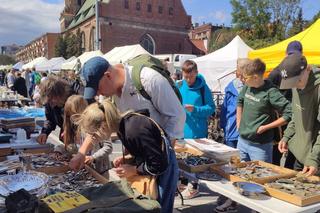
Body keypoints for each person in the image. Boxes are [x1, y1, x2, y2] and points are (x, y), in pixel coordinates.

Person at [73, 100, 178, 213]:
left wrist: (133, 170)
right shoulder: (122, 126)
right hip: (155, 164)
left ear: (104, 125)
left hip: (163, 169)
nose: (94, 139)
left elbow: (159, 164)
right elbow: (145, 149)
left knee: (159, 208)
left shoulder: (134, 129)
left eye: (94, 135)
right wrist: (128, 158)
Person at [216, 59, 292, 213]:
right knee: (238, 174)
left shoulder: (271, 91)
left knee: (261, 179)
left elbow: (289, 113)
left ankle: (258, 209)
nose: (243, 80)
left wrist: (266, 127)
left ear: (256, 77)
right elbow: (240, 101)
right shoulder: (247, 87)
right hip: (243, 141)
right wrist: (239, 122)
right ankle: (234, 202)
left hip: (260, 146)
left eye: (246, 78)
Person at [176, 60, 215, 199]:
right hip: (181, 131)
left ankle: (194, 187)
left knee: (195, 160)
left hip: (197, 132)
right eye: (186, 76)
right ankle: (183, 183)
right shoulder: (179, 85)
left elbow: (211, 108)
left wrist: (195, 109)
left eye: (191, 77)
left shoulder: (203, 88)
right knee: (181, 159)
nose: (188, 80)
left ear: (196, 73)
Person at [278, 53, 320, 176]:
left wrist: (314, 159)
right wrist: (287, 136)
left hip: (315, 159)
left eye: (298, 81)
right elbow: (296, 115)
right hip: (301, 156)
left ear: (308, 69)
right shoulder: (296, 85)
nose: (295, 85)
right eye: (291, 83)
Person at [54, 95, 112, 177]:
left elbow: (108, 147)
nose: (72, 119)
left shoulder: (96, 122)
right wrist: (60, 149)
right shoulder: (76, 127)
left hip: (100, 171)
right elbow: (76, 149)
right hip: (86, 170)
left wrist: (92, 157)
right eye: (69, 115)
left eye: (73, 114)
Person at [268, 40, 303, 168]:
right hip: (279, 117)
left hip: (297, 114)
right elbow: (268, 93)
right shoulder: (276, 72)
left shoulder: (302, 70)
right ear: (286, 54)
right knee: (277, 148)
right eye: (291, 54)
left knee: (294, 148)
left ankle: (288, 170)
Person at [220, 58, 249, 148]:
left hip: (245, 132)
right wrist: (223, 126)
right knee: (233, 158)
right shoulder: (231, 88)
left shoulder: (253, 86)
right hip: (232, 129)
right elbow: (225, 109)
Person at [36, 76, 73, 144]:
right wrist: (45, 132)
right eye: (49, 100)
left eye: (52, 99)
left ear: (60, 94)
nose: (51, 103)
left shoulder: (73, 100)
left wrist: (70, 130)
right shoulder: (49, 102)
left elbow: (80, 122)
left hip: (78, 139)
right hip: (66, 138)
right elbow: (50, 120)